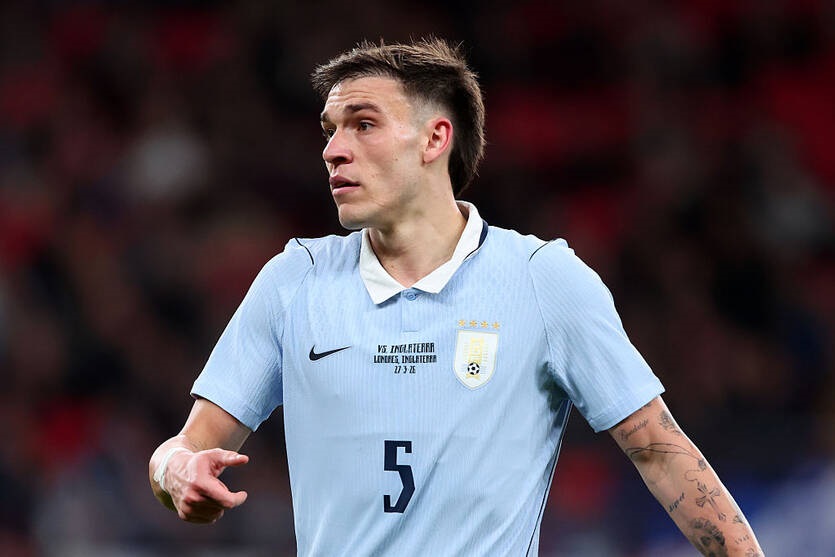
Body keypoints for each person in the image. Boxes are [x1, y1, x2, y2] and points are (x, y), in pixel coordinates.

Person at [148, 38, 763, 556]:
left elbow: (660, 451)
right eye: (331, 130)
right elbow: (186, 446)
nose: (333, 149)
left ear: (434, 138)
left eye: (363, 124)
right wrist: (176, 472)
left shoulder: (542, 279)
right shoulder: (294, 282)